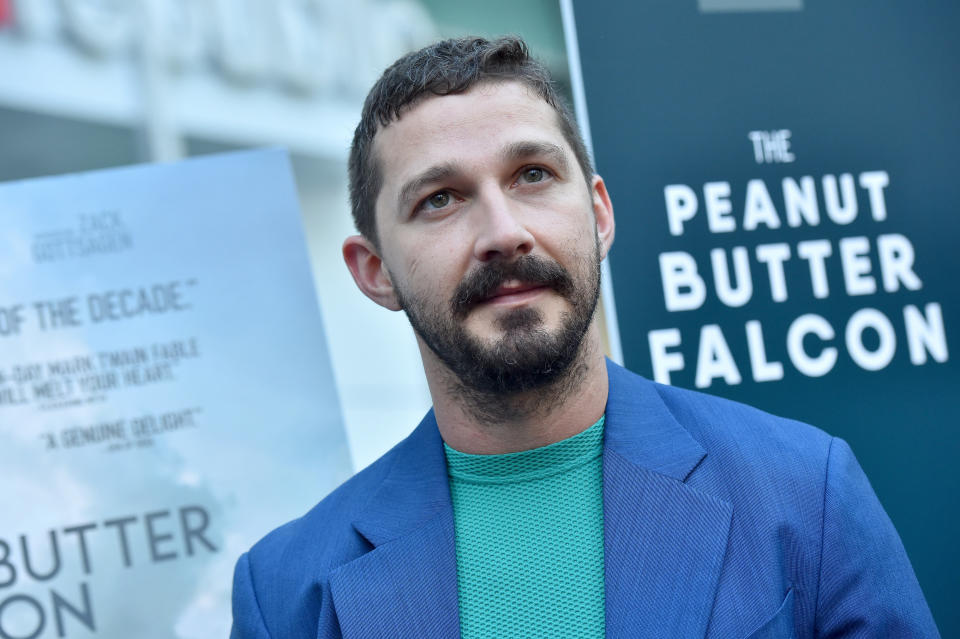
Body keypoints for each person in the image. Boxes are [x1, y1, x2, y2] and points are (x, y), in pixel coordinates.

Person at [230, 36, 939, 638]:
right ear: (375, 269)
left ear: (598, 215)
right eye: (439, 199)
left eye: (532, 174)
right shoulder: (286, 592)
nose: (504, 232)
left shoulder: (804, 492)